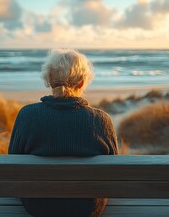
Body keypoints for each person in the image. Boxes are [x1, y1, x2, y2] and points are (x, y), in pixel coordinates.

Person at [8, 48, 118, 217]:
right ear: (82, 83)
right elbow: (113, 171)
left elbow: (13, 164)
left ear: (49, 81)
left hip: (37, 205)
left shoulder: (27, 115)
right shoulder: (101, 120)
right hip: (88, 208)